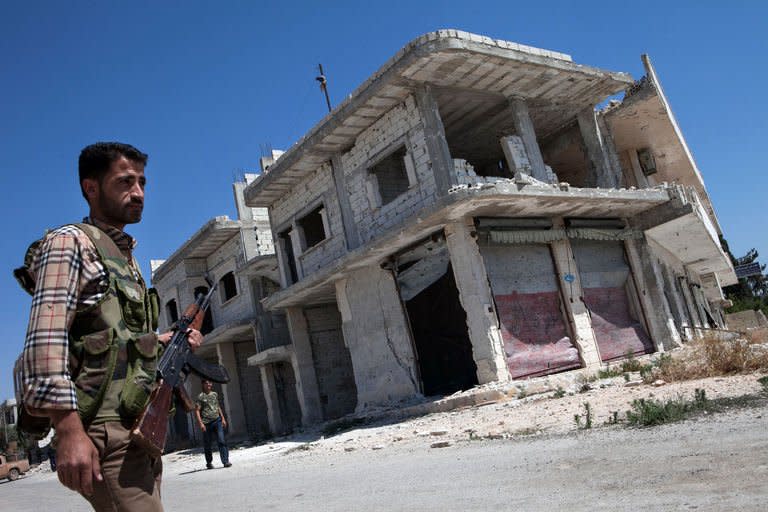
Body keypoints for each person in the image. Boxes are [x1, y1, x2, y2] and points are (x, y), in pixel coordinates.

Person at [18, 142, 203, 511]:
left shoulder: (123, 256)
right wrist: (69, 431)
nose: (138, 193)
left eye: (142, 183)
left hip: (136, 430)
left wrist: (164, 343)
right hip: (105, 432)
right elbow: (45, 342)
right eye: (125, 182)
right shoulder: (70, 243)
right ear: (91, 188)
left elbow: (117, 342)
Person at [194, 379, 231, 469]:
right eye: (207, 383)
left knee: (221, 440)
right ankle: (209, 462)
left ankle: (225, 461)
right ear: (203, 384)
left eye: (210, 383)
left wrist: (222, 418)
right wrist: (201, 424)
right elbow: (197, 411)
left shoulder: (214, 394)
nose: (209, 384)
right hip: (206, 423)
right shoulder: (200, 397)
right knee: (208, 444)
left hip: (217, 420)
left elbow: (217, 406)